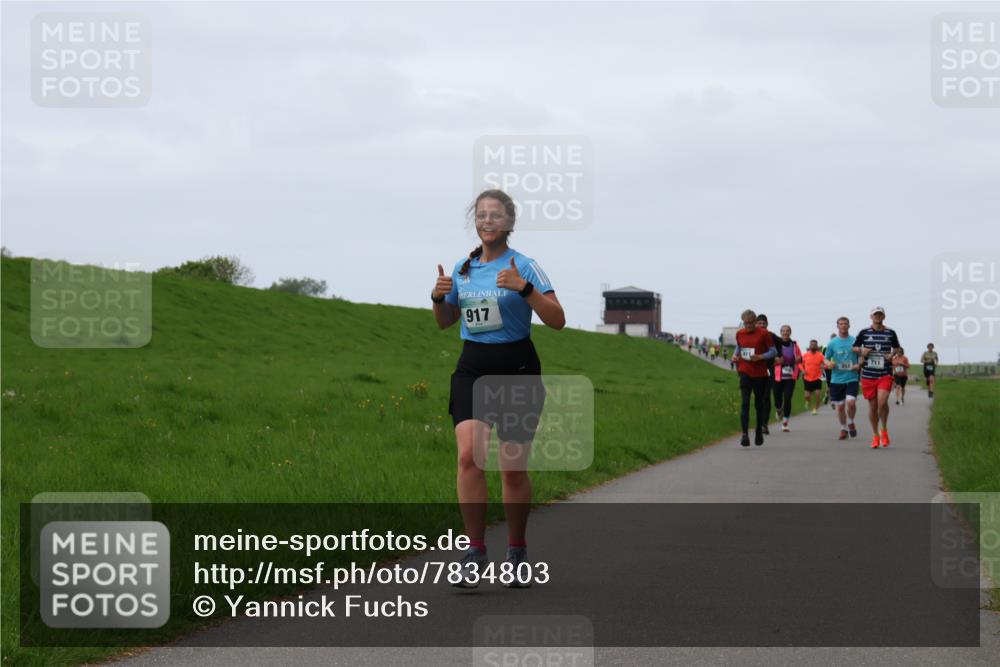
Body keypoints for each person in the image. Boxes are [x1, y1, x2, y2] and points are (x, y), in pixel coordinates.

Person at [432, 188, 565, 587]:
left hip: (517, 369)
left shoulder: (525, 266)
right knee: (469, 457)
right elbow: (445, 321)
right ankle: (474, 551)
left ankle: (517, 548)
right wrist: (438, 298)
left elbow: (557, 319)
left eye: (495, 216)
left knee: (511, 470)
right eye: (481, 216)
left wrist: (524, 289)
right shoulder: (464, 267)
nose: (487, 222)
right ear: (476, 222)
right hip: (472, 367)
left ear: (509, 222)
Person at [853, 307, 901, 449]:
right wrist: (862, 350)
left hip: (884, 373)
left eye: (880, 315)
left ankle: (884, 430)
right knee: (873, 407)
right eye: (875, 314)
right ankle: (875, 435)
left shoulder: (890, 332)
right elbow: (854, 347)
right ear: (871, 316)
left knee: (882, 402)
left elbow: (897, 348)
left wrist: (891, 355)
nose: (878, 317)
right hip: (868, 374)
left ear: (884, 316)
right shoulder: (864, 332)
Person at [732, 310, 776, 446]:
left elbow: (773, 351)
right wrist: (735, 356)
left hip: (760, 374)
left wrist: (760, 357)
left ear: (755, 322)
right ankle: (744, 434)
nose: (749, 326)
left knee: (759, 404)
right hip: (745, 371)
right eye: (746, 323)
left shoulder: (764, 334)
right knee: (745, 403)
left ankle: (758, 431)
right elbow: (739, 347)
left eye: (751, 323)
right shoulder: (740, 333)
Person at [824, 317, 860, 440]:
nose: (843, 326)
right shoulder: (832, 343)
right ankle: (843, 428)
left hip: (852, 377)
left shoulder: (855, 340)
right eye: (841, 324)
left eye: (845, 324)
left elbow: (861, 356)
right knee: (840, 407)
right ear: (837, 326)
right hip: (837, 379)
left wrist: (859, 365)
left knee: (850, 402)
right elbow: (825, 358)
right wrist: (829, 363)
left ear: (849, 326)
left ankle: (850, 422)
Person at [772, 325, 803, 432]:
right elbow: (770, 358)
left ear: (790, 332)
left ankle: (785, 423)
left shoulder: (794, 345)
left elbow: (800, 357)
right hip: (778, 376)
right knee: (777, 398)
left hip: (790, 376)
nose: (785, 333)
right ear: (780, 332)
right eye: (783, 331)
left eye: (787, 331)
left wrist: (799, 359)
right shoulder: (776, 345)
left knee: (788, 398)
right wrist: (775, 360)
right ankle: (779, 409)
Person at [755, 314, 781, 434]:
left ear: (767, 324)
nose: (761, 325)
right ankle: (759, 422)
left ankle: (764, 424)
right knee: (758, 398)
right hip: (754, 370)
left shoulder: (771, 336)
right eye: (759, 323)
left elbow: (781, 345)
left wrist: (779, 357)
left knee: (766, 397)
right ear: (756, 324)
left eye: (763, 323)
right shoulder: (752, 335)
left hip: (768, 369)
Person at [801, 339, 825, 415]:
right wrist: (803, 370)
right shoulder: (805, 355)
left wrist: (824, 366)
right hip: (807, 378)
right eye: (811, 344)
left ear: (817, 346)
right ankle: (807, 401)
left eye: (814, 345)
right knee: (807, 396)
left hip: (817, 378)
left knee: (818, 394)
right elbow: (799, 364)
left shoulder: (820, 355)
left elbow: (825, 362)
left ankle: (815, 409)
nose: (813, 346)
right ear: (809, 346)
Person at [822, 332, 836, 408]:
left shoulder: (839, 345)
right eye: (832, 338)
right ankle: (828, 396)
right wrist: (824, 365)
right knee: (829, 385)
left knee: (834, 384)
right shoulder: (826, 347)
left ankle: (831, 398)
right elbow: (823, 358)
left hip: (836, 368)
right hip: (828, 368)